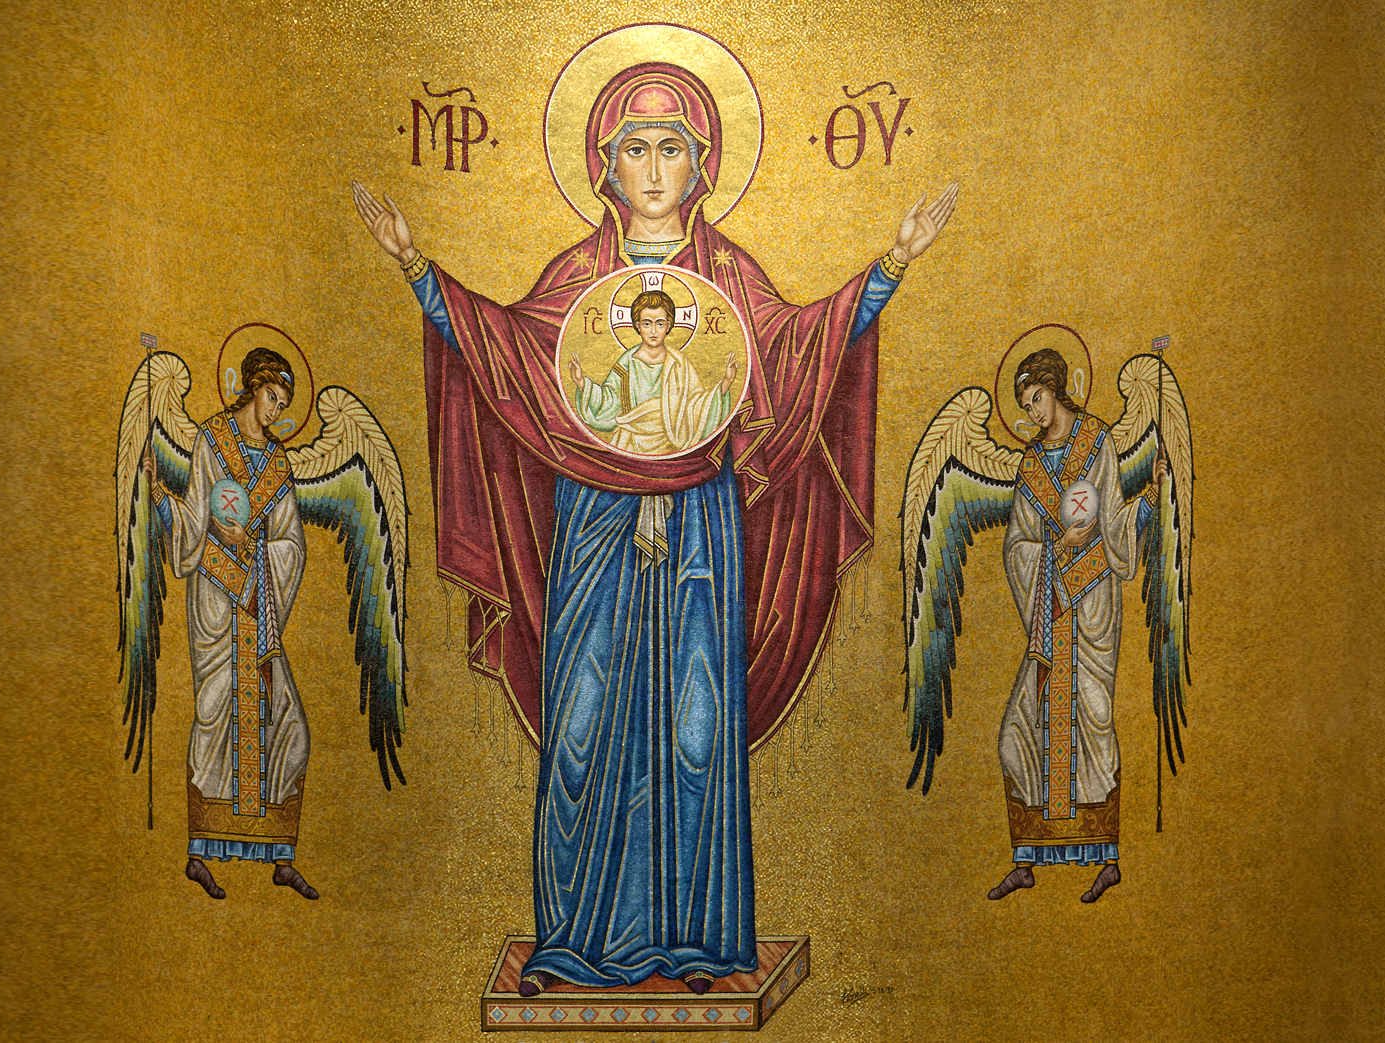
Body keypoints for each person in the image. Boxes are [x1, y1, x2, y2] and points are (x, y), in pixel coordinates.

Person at [353, 62, 957, 992]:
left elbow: (799, 349)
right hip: (594, 520)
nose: (652, 168)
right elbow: (504, 352)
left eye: (671, 147)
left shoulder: (729, 275)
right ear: (605, 165)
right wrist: (416, 269)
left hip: (700, 526)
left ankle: (700, 942)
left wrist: (891, 267)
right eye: (633, 149)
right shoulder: (576, 277)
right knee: (582, 720)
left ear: (701, 163)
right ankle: (574, 939)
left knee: (696, 724)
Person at [988, 347, 1167, 904]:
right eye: (1025, 405)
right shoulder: (1029, 466)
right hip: (1049, 613)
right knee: (1016, 734)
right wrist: (1050, 549)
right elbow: (1016, 545)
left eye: (1037, 398)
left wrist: (1148, 499)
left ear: (1056, 388)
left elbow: (1111, 520)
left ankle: (1107, 858)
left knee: (1093, 723)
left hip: (1090, 607)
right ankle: (1026, 859)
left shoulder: (1097, 442)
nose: (1033, 412)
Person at [144, 347, 320, 901]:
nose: (276, 411)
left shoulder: (280, 466)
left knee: (290, 726)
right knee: (215, 715)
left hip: (258, 608)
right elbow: (196, 517)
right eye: (272, 397)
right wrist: (160, 496)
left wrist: (259, 548)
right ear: (252, 388)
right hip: (217, 602)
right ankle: (199, 853)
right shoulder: (212, 440)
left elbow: (293, 544)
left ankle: (280, 855)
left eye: (284, 404)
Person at [567, 288, 737, 457]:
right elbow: (609, 402)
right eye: (647, 324)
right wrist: (581, 382)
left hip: (671, 446)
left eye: (660, 324)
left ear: (668, 326)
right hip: (630, 444)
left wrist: (726, 382)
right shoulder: (627, 362)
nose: (653, 331)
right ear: (638, 326)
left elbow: (696, 406)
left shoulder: (679, 364)